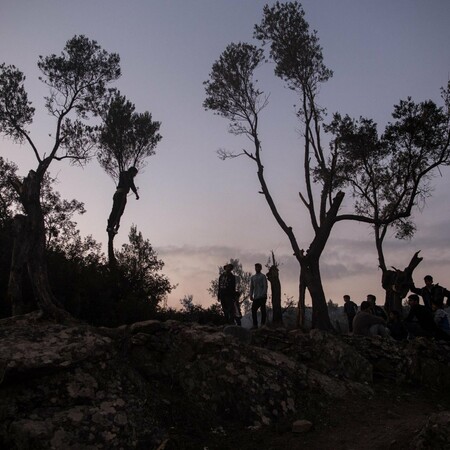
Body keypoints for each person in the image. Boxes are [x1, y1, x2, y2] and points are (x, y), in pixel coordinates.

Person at [107, 167, 139, 234]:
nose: (135, 175)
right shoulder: (125, 174)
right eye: (135, 173)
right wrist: (136, 194)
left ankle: (112, 226)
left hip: (120, 194)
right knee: (117, 211)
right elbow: (130, 184)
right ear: (132, 171)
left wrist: (136, 193)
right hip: (120, 194)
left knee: (118, 211)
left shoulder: (128, 177)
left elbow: (132, 185)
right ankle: (110, 226)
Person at [250, 263, 268, 329]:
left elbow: (265, 286)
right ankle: (255, 324)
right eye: (256, 267)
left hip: (262, 296)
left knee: (263, 309)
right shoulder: (253, 277)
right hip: (256, 296)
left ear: (260, 268)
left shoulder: (263, 276)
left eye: (258, 267)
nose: (257, 268)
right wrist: (251, 295)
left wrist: (264, 293)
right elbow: (251, 287)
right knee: (253, 310)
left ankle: (263, 324)